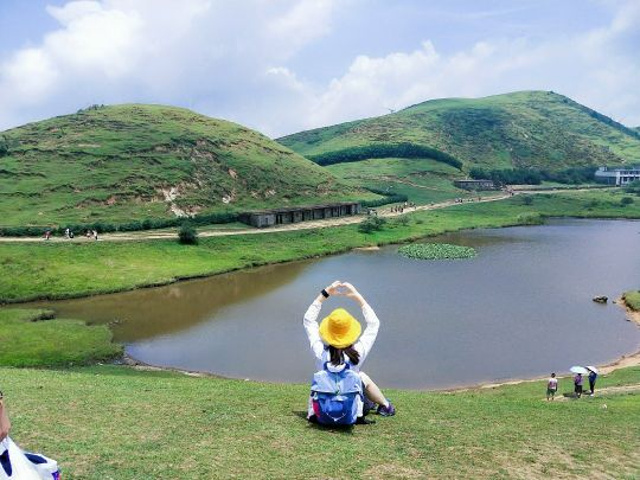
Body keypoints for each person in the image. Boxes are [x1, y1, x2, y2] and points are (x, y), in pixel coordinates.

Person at [303, 281, 395, 423]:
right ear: (351, 331)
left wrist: (325, 294)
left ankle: (373, 404)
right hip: (350, 412)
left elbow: (308, 320)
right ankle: (386, 406)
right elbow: (374, 323)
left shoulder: (320, 351)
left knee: (357, 380)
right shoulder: (357, 352)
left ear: (327, 330)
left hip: (323, 412)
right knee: (361, 376)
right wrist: (357, 297)